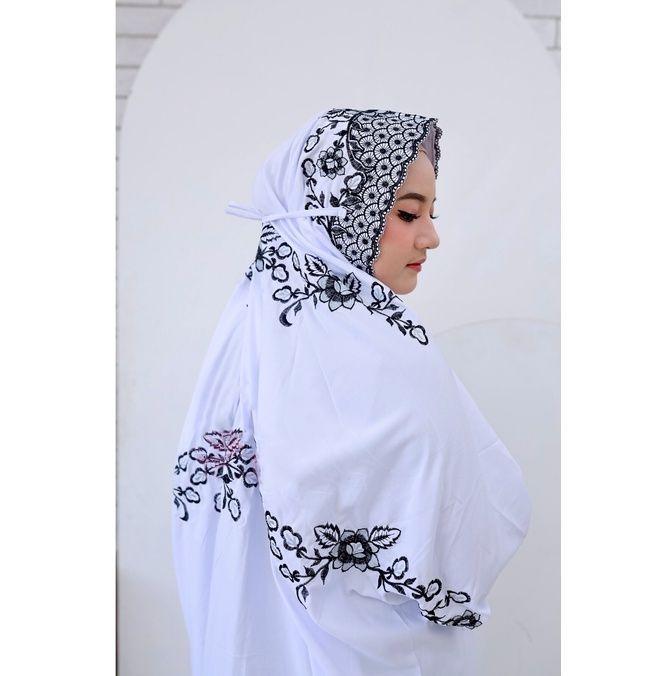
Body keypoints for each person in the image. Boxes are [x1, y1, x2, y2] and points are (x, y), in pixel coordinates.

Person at [171, 106, 532, 675]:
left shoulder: (250, 332)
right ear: (339, 213)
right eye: (408, 212)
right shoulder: (377, 353)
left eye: (431, 212)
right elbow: (458, 541)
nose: (431, 236)